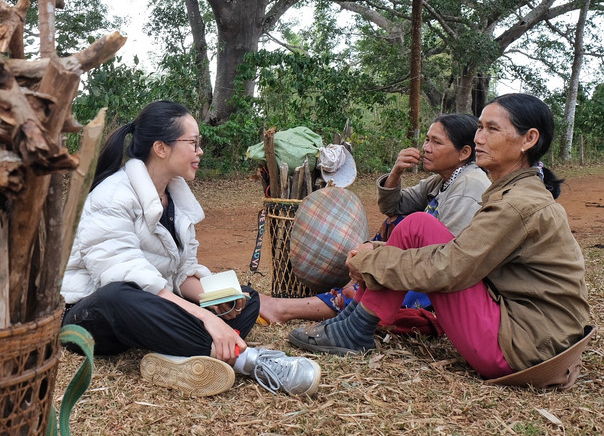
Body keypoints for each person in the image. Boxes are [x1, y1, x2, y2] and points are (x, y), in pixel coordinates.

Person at [289, 93, 591, 383]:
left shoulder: (516, 202)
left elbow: (451, 266)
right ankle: (356, 324)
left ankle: (355, 327)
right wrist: (378, 252)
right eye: (480, 128)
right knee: (417, 224)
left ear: (529, 139)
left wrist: (373, 261)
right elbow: (430, 233)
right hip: (526, 333)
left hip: (521, 346)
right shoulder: (510, 190)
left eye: (492, 129)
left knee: (415, 232)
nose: (479, 138)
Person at [61, 100, 321, 396]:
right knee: (118, 294)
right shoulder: (111, 197)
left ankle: (176, 355)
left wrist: (216, 299)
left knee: (245, 298)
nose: (199, 151)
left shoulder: (175, 198)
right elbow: (125, 277)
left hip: (151, 311)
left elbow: (182, 272)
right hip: (92, 317)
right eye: (193, 143)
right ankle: (250, 360)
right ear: (161, 148)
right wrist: (207, 318)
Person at [260, 113, 490, 325]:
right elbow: (392, 206)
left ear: (464, 153)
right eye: (427, 140)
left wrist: (380, 258)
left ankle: (285, 308)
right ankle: (353, 287)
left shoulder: (469, 186)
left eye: (436, 142)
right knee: (396, 221)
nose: (426, 148)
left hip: (444, 282)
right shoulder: (443, 180)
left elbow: (445, 260)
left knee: (382, 279)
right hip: (429, 265)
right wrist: (397, 171)